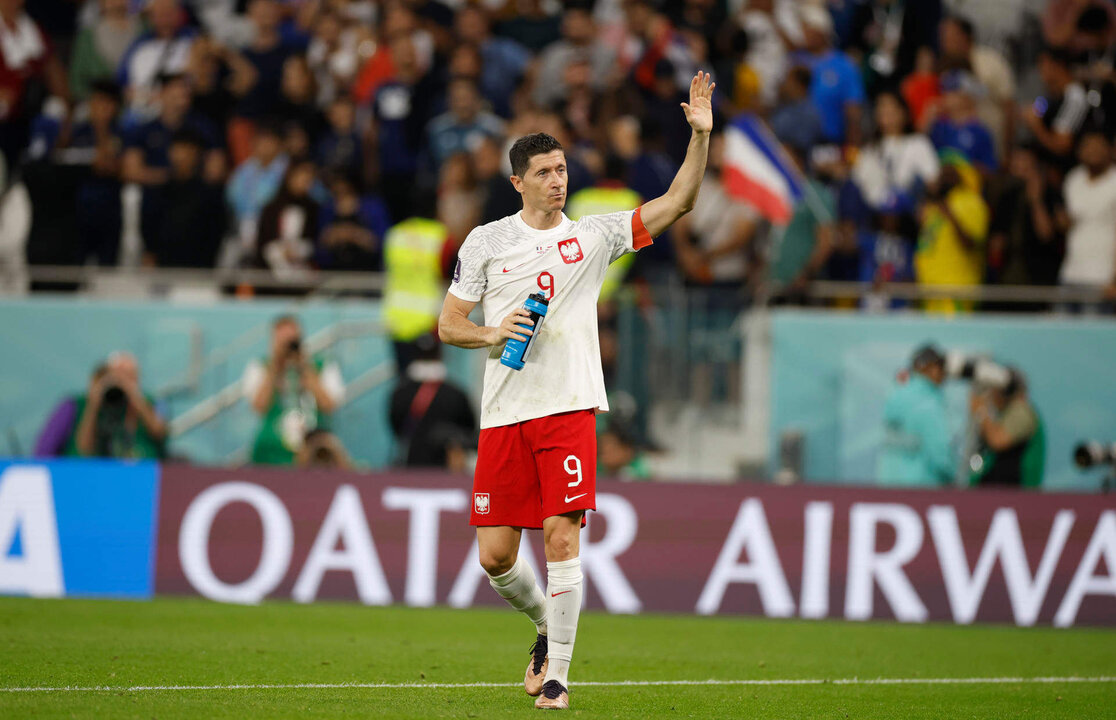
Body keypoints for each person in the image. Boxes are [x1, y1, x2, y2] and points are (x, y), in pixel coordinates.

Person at [437, 71, 715, 711]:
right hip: (504, 413)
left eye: (562, 169)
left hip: (567, 409)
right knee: (496, 557)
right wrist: (492, 333)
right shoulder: (487, 242)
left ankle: (558, 677)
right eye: (544, 172)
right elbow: (449, 324)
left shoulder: (590, 238)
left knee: (561, 538)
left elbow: (677, 203)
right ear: (518, 182)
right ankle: (544, 626)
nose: (558, 180)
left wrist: (699, 138)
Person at [242, 315, 344, 466]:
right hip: (271, 447)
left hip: (312, 443)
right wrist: (275, 367)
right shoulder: (261, 367)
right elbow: (259, 406)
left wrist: (305, 367)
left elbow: (329, 405)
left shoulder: (321, 366)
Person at [388, 334, 476, 471]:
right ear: (440, 354)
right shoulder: (456, 393)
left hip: (412, 466)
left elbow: (396, 428)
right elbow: (469, 427)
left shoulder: (400, 393)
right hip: (449, 469)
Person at [876, 344, 955, 487]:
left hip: (887, 485)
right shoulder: (929, 403)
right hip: (921, 490)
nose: (944, 375)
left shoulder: (894, 395)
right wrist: (954, 479)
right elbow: (941, 455)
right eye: (941, 368)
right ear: (930, 368)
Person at [71, 352, 167, 459]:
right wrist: (94, 403)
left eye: (128, 376)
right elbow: (84, 447)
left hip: (146, 470)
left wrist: (135, 397)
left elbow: (159, 432)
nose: (122, 381)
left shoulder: (152, 401)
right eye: (117, 375)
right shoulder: (101, 403)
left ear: (137, 378)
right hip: (107, 468)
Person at [1060, 130, 1116, 309]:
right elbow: (1072, 223)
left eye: (1097, 146)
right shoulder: (1073, 179)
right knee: (1060, 334)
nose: (1092, 151)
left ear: (1110, 149)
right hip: (1070, 274)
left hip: (1102, 278)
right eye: (1087, 146)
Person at [968, 368, 1045, 488]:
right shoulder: (1006, 414)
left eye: (994, 389)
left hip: (1017, 496)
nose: (991, 395)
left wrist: (981, 412)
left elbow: (998, 440)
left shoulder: (1021, 411)